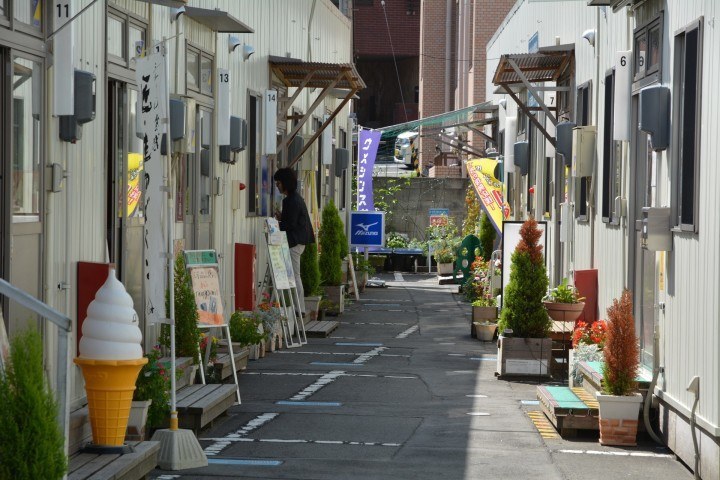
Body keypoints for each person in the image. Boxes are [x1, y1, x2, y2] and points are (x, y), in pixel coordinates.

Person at [273, 167, 315, 317]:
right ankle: (298, 308)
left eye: (278, 183)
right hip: (299, 241)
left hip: (294, 242)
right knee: (294, 275)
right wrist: (282, 218)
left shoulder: (291, 201)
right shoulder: (296, 199)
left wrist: (278, 221)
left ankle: (300, 309)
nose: (277, 187)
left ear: (285, 183)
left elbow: (289, 224)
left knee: (295, 276)